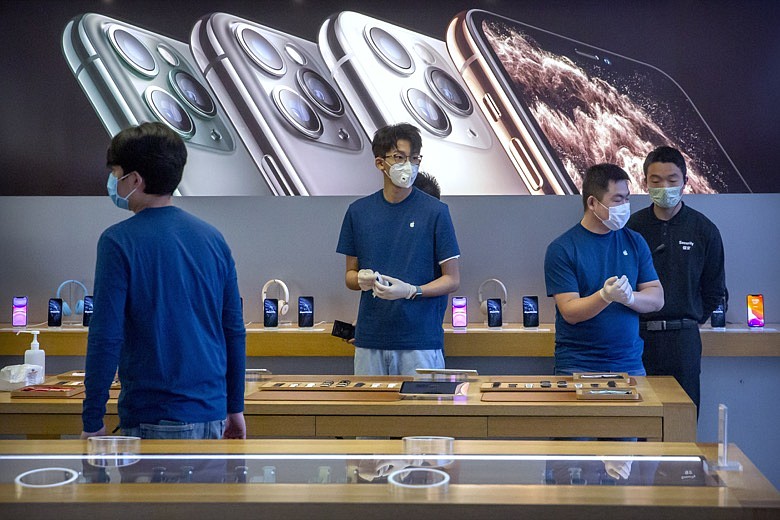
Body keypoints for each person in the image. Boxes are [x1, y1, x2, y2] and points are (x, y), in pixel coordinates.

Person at [81, 122, 246, 440]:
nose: (114, 183)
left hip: (153, 416)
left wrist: (92, 418)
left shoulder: (118, 242)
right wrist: (234, 406)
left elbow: (106, 337)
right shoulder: (213, 238)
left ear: (135, 180)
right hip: (212, 414)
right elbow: (233, 331)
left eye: (116, 174)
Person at [336, 123, 461, 375]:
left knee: (423, 414)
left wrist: (412, 290)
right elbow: (349, 276)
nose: (409, 165)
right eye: (400, 157)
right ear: (380, 163)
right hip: (370, 339)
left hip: (419, 341)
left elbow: (452, 279)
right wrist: (361, 279)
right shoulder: (358, 212)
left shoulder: (435, 212)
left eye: (414, 158)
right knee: (369, 413)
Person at [627, 146, 726, 414]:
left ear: (685, 182)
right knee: (637, 416)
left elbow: (715, 290)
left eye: (672, 180)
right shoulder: (632, 228)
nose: (664, 187)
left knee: (681, 416)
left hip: (683, 338)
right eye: (656, 181)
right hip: (637, 336)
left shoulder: (703, 229)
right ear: (645, 183)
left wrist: (688, 318)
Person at [544, 163, 664, 375]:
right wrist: (604, 296)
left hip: (629, 364)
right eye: (618, 199)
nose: (625, 205)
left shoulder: (635, 242)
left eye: (627, 198)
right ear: (592, 202)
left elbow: (656, 298)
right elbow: (570, 311)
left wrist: (629, 298)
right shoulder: (562, 248)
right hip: (577, 365)